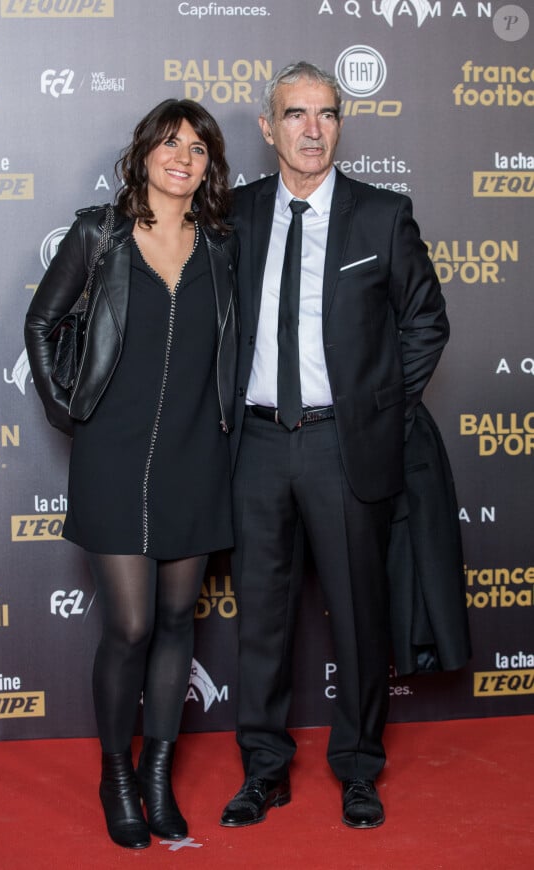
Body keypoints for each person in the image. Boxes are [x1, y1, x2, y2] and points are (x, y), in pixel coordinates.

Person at [220, 61, 449, 830]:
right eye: (295, 114)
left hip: (343, 447)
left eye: (325, 113)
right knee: (262, 621)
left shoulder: (382, 215)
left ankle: (357, 767)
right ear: (268, 127)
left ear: (339, 124)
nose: (312, 129)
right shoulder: (237, 214)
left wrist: (377, 409)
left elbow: (425, 321)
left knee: (358, 617)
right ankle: (263, 770)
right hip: (254, 444)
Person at [24, 99, 238, 850]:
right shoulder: (99, 233)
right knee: (133, 624)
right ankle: (117, 774)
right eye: (171, 141)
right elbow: (41, 324)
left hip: (196, 456)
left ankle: (157, 774)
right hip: (112, 461)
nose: (184, 155)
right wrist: (69, 414)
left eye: (200, 147)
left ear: (211, 166)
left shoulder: (221, 244)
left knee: (180, 622)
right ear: (144, 151)